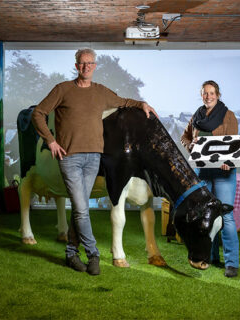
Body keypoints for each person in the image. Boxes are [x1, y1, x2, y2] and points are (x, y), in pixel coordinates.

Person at [31, 48, 158, 275]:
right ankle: (94, 254)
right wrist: (50, 141)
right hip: (69, 157)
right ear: (76, 65)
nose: (86, 67)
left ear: (95, 66)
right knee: (81, 210)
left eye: (90, 63)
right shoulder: (63, 89)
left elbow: (123, 101)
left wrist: (143, 104)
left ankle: (71, 253)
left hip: (93, 158)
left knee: (79, 210)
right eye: (82, 63)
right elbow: (38, 113)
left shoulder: (101, 92)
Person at [180, 80, 239, 278]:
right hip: (203, 172)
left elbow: (233, 144)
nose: (208, 96)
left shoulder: (228, 115)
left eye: (212, 93)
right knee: (207, 216)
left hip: (224, 173)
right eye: (205, 93)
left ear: (218, 95)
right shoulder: (196, 116)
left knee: (226, 217)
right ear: (201, 95)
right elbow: (185, 138)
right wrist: (192, 145)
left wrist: (228, 161)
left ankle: (232, 263)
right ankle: (211, 257)